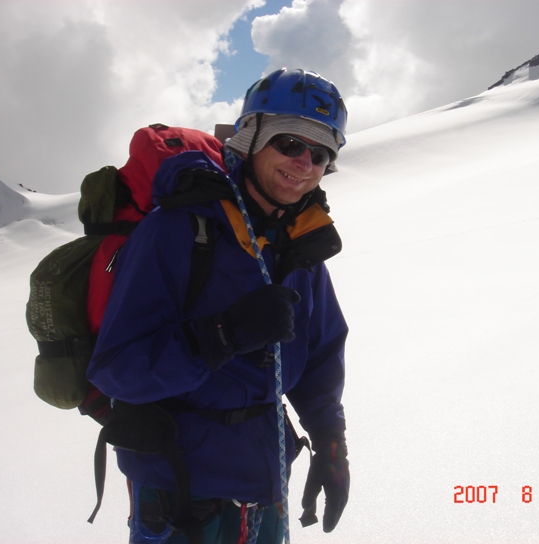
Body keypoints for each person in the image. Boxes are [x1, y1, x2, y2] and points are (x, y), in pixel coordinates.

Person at [87, 68, 350, 544]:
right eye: (290, 143)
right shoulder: (177, 229)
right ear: (251, 137)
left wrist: (331, 442)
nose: (304, 163)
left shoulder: (299, 243)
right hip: (179, 495)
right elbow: (116, 369)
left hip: (265, 485)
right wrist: (224, 335)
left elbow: (320, 354)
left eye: (320, 154)